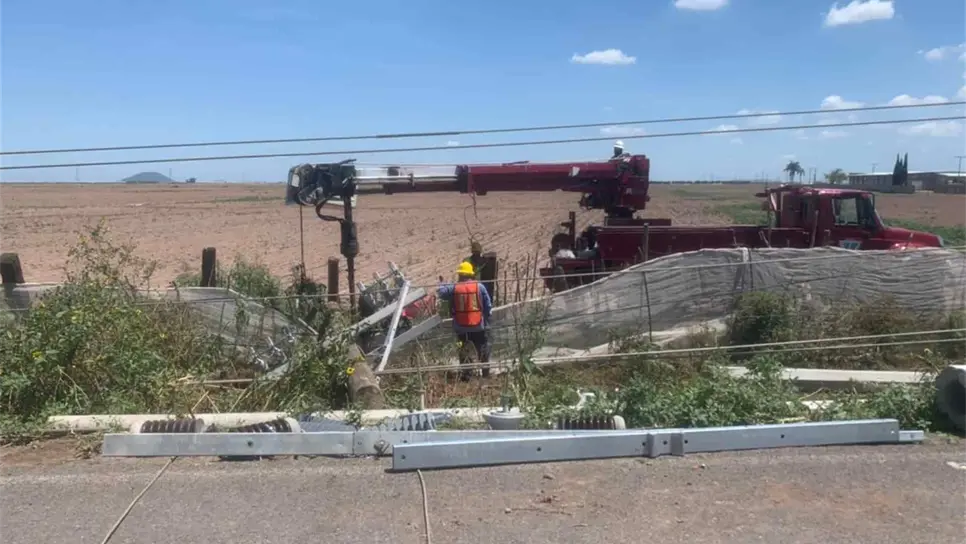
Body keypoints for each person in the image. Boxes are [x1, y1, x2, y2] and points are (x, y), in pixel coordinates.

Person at [437, 261, 493, 381]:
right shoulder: (480, 286)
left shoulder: (455, 287)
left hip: (460, 328)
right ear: (471, 274)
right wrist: (486, 319)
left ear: (461, 275)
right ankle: (485, 375)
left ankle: (467, 376)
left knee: (463, 350)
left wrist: (442, 284)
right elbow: (488, 305)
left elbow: (441, 293)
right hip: (478, 326)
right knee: (483, 349)